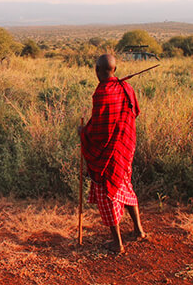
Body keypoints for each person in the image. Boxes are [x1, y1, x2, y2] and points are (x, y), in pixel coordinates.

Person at [79, 54, 147, 254]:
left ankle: (117, 243)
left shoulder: (103, 91)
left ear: (97, 70)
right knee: (125, 185)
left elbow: (99, 129)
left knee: (107, 191)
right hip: (126, 147)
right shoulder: (126, 88)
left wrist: (83, 133)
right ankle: (138, 230)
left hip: (109, 152)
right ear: (114, 70)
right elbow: (133, 113)